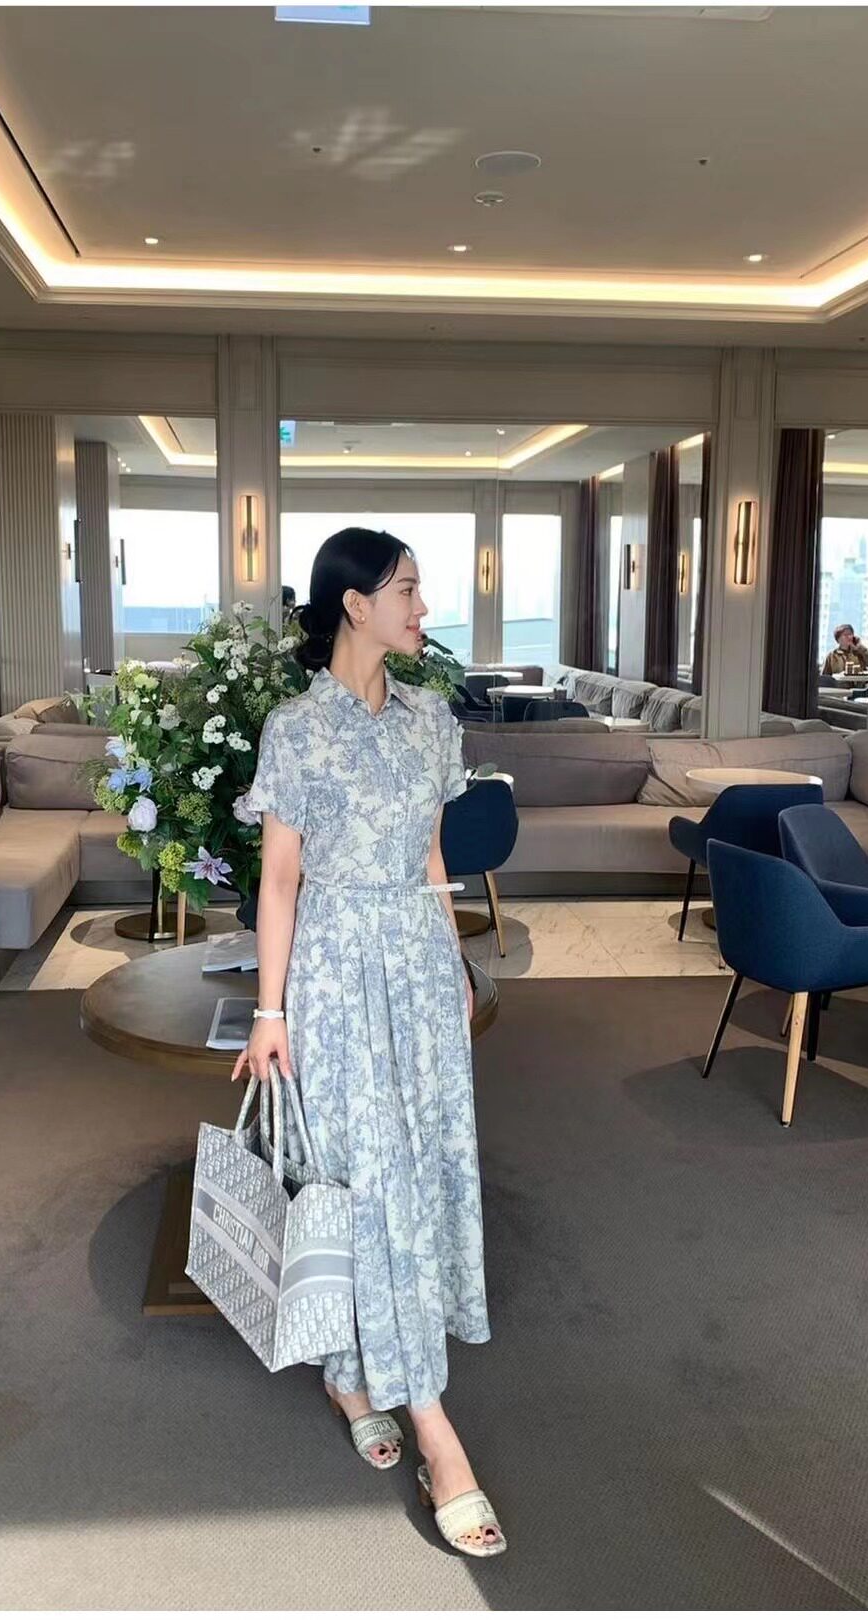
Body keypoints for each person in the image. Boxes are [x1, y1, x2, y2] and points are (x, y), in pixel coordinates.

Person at [232, 527, 505, 1558]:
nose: (423, 607)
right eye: (408, 589)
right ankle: (437, 1434)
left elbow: (434, 860)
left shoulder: (432, 718)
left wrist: (455, 964)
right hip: (337, 971)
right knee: (362, 1175)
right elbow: (279, 881)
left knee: (418, 1172)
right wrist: (270, 1013)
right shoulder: (297, 729)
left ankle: (351, 1374)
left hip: (419, 971)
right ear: (355, 604)